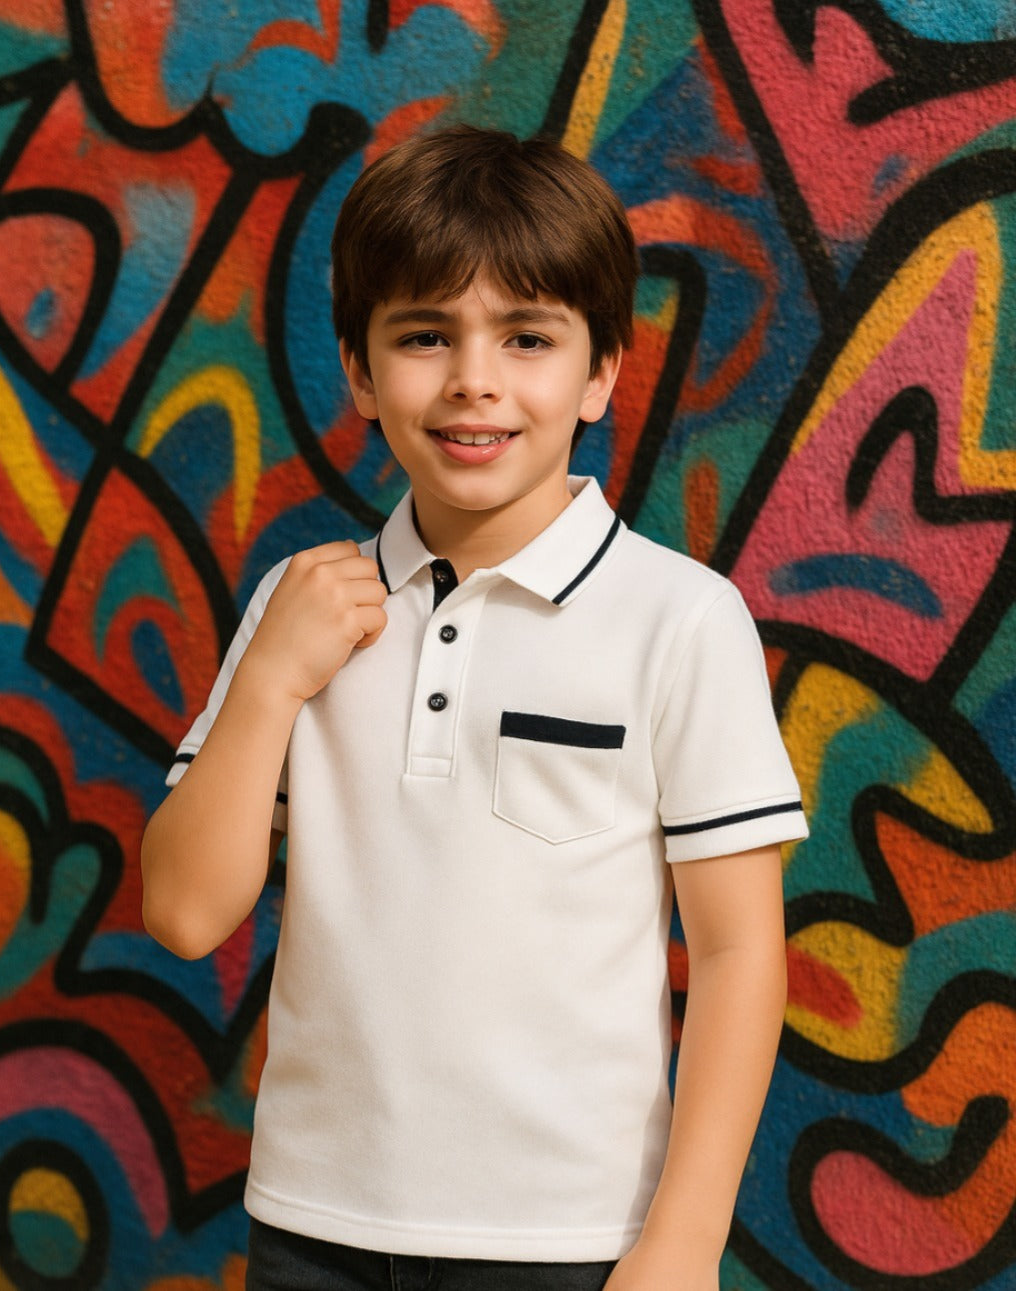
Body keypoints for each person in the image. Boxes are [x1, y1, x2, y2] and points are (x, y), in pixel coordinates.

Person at [141, 125, 807, 1291]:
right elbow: (187, 912)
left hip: (568, 1245)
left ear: (600, 371)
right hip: (311, 1223)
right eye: (423, 336)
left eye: (528, 337)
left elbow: (741, 948)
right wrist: (267, 684)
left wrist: (684, 1242)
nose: (473, 380)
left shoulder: (680, 621)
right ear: (358, 368)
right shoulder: (298, 609)